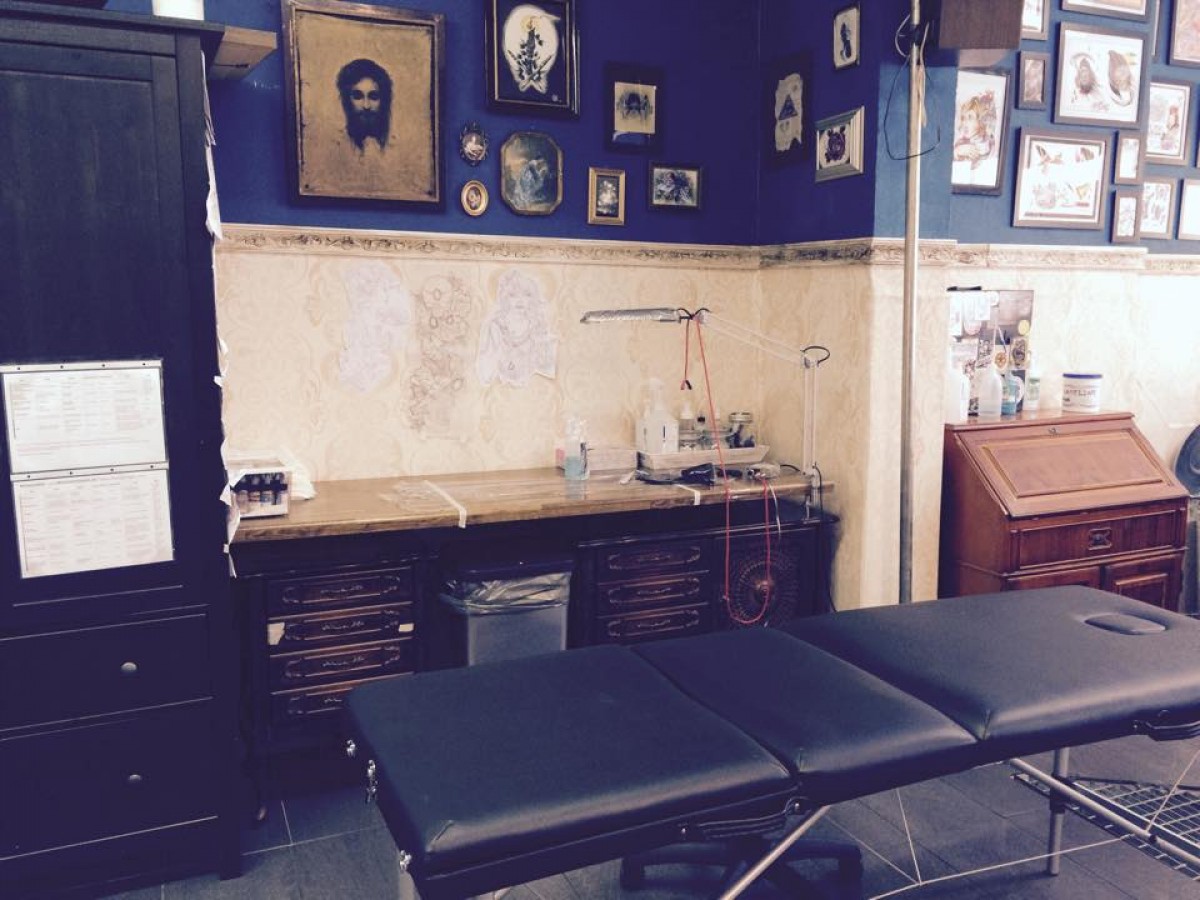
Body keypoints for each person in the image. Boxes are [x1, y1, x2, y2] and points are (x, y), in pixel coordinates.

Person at [336, 58, 393, 153]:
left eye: (373, 97)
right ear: (347, 101)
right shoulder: (336, 147)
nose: (366, 106)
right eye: (358, 96)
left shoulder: (397, 149)